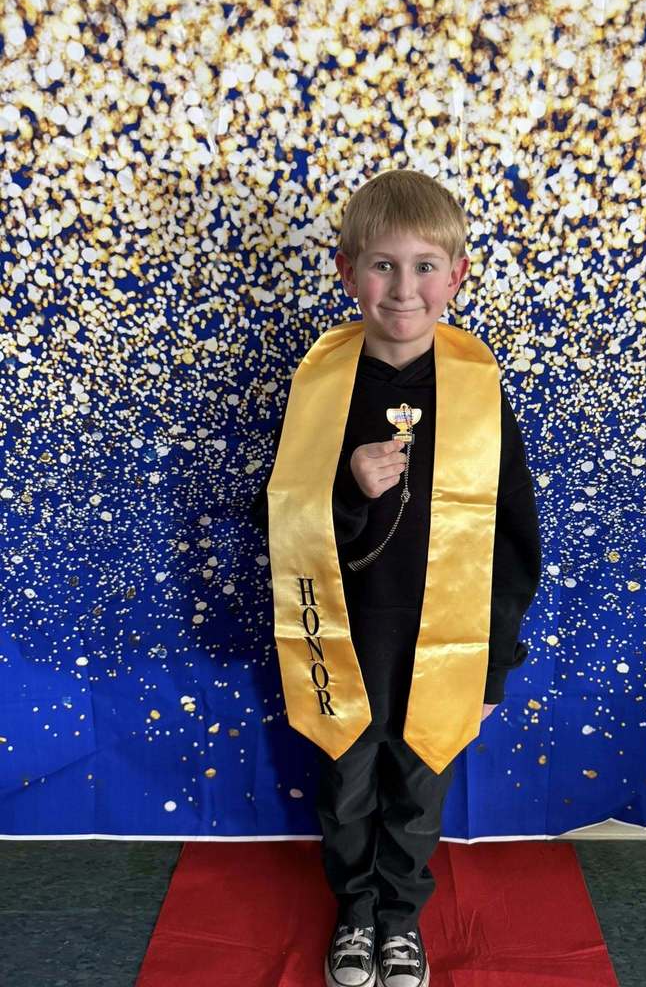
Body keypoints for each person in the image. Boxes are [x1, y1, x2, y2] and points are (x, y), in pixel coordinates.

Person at [250, 169, 542, 987]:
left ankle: (401, 918)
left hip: (443, 637)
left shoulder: (479, 393)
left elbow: (517, 539)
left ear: (457, 276)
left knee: (419, 780)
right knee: (347, 775)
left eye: (423, 267)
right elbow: (274, 518)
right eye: (382, 265)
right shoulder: (320, 389)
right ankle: (353, 913)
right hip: (344, 630)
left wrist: (492, 662)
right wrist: (346, 485)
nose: (403, 288)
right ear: (348, 273)